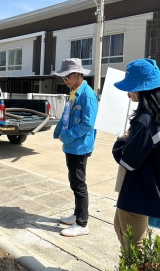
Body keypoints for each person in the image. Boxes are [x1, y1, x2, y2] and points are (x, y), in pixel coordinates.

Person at [112, 58, 160, 250]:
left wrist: (121, 141)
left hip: (139, 190)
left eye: (131, 88)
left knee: (134, 243)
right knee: (122, 228)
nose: (128, 94)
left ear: (142, 89)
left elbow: (128, 161)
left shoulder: (145, 122)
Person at [53, 58, 98, 237]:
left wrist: (66, 135)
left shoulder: (88, 95)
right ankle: (77, 214)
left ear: (78, 74)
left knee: (79, 184)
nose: (65, 81)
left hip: (80, 146)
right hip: (71, 146)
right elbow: (66, 116)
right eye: (62, 77)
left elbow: (88, 124)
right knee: (74, 181)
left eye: (67, 77)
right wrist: (58, 131)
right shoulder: (74, 91)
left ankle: (82, 223)